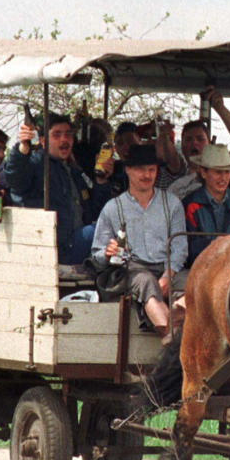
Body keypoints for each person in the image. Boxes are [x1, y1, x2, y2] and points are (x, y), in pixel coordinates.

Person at [91, 144, 187, 341]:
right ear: (128, 170)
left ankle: (174, 330)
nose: (147, 175)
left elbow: (180, 247)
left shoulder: (172, 203)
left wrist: (168, 275)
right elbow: (97, 253)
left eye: (151, 169)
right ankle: (171, 338)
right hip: (130, 269)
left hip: (167, 267)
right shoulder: (113, 207)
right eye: (141, 169)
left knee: (194, 282)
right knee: (145, 281)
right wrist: (107, 253)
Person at [0, 113, 113, 265]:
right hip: (51, 248)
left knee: (110, 226)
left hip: (75, 242)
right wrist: (22, 149)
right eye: (57, 134)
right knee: (102, 231)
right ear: (43, 140)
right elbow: (15, 177)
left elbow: (94, 209)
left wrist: (101, 181)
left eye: (68, 135)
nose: (64, 139)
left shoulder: (73, 169)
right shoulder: (36, 164)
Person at [166, 119, 212, 200]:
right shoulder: (175, 186)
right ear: (182, 147)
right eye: (188, 139)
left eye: (200, 139)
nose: (194, 142)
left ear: (209, 144)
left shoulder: (222, 177)